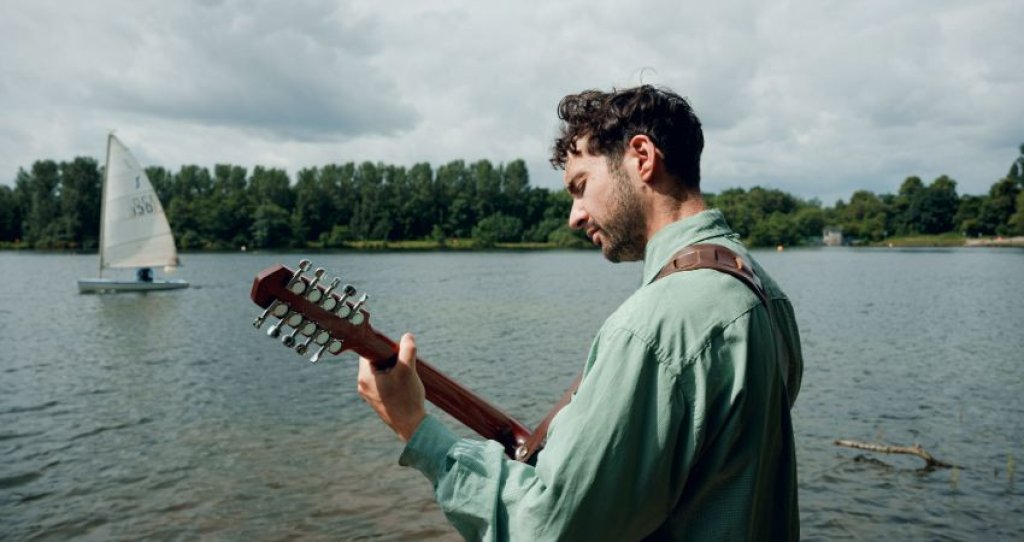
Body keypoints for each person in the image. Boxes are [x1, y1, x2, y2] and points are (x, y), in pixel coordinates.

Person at [357, 85, 804, 540]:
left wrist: (415, 427)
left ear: (642, 157)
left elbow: (548, 526)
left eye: (581, 186)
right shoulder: (763, 291)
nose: (574, 215)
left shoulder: (655, 326)